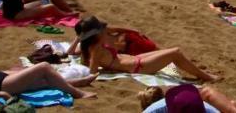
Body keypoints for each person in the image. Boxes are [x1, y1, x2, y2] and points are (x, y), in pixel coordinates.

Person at [75, 15, 220, 82]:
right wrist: (104, 70)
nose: (104, 30)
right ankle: (206, 77)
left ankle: (201, 72)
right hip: (138, 67)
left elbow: (85, 62)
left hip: (135, 60)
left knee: (172, 52)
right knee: (175, 52)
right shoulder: (97, 49)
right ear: (95, 34)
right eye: (100, 29)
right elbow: (91, 72)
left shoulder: (91, 44)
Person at [0, 57, 97, 100]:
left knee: (41, 80)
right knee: (44, 67)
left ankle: (78, 82)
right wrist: (0, 94)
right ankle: (78, 93)